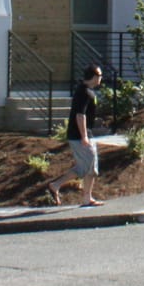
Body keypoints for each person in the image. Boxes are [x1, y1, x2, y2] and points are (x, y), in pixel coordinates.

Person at [47, 65, 105, 208]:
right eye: (100, 75)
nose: (101, 78)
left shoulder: (89, 91)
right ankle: (55, 185)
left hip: (88, 133)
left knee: (92, 168)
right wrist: (84, 136)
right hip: (78, 136)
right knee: (84, 167)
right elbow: (80, 115)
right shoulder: (83, 92)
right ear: (93, 77)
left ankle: (87, 198)